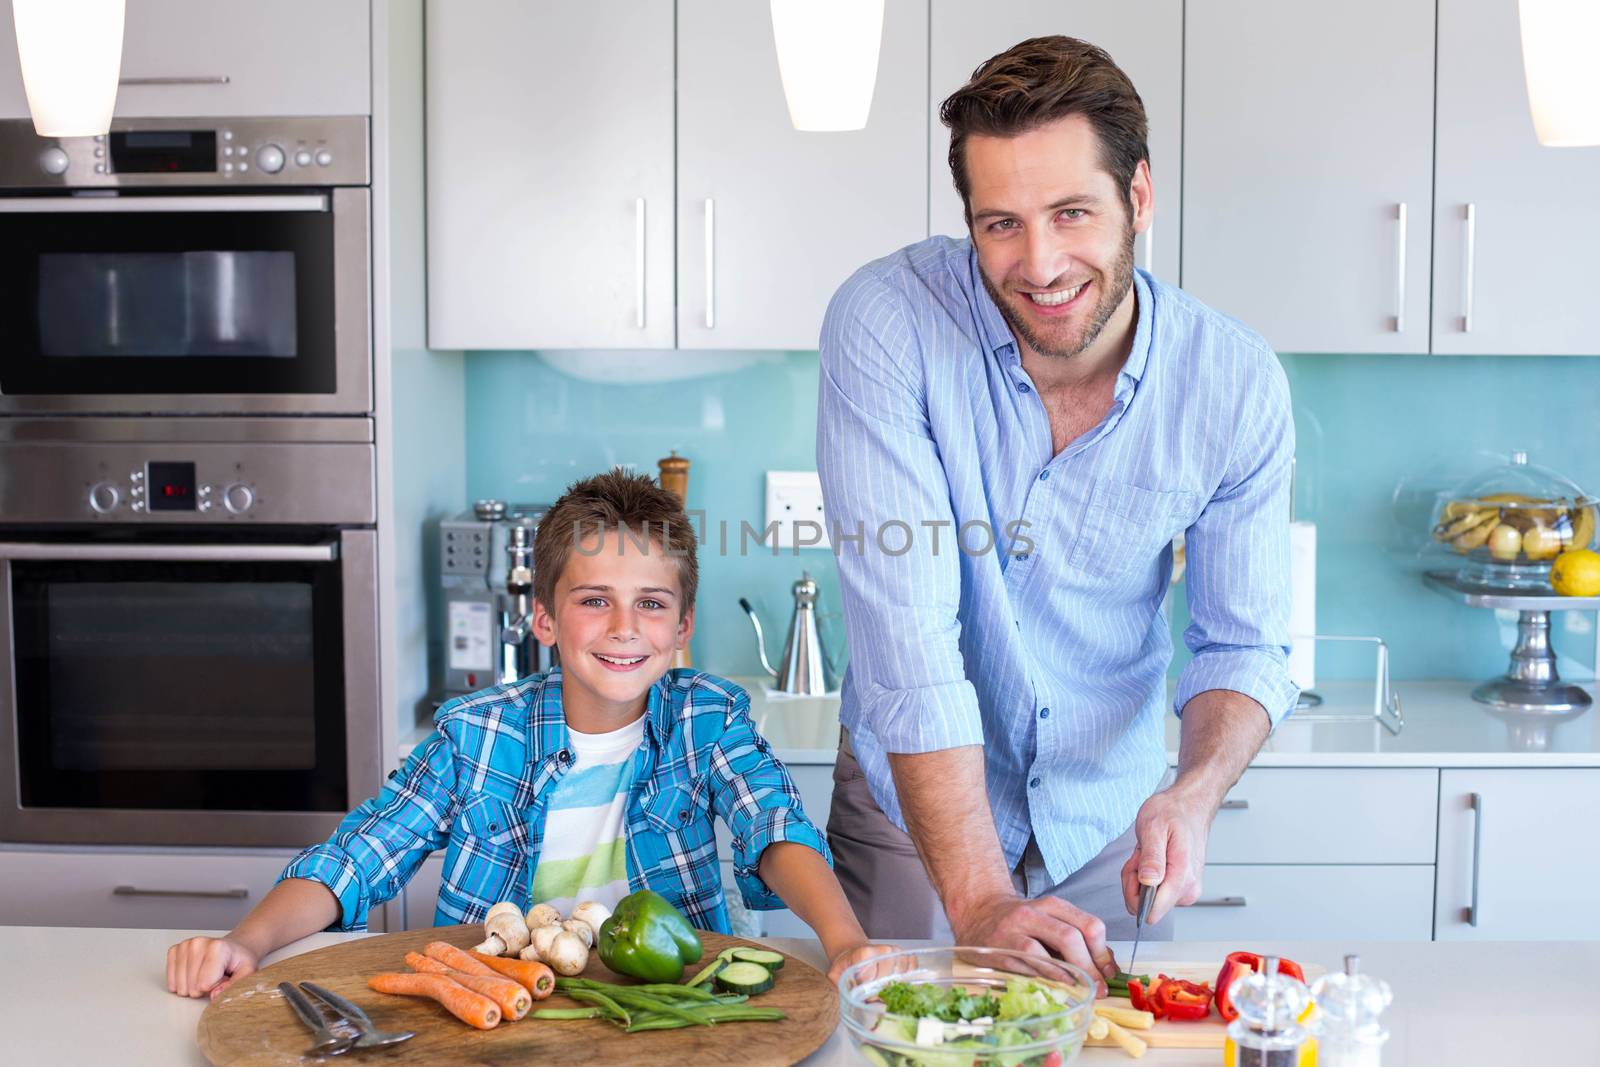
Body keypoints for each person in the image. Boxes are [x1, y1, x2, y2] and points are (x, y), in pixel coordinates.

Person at [817, 36, 1298, 984]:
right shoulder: (887, 323)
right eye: (1000, 224)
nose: (1039, 264)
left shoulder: (1233, 384)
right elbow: (908, 643)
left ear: (1140, 197)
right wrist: (981, 896)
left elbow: (1243, 643)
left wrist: (1192, 793)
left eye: (1071, 212)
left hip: (1104, 824)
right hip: (916, 822)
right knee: (906, 1047)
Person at [167, 470, 890, 998]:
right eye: (594, 600)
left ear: (682, 626)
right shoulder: (475, 734)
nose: (624, 628)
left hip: (670, 1019)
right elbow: (359, 855)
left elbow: (774, 824)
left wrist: (845, 938)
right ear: (544, 618)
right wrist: (245, 941)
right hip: (503, 1017)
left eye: (651, 603)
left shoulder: (709, 719)